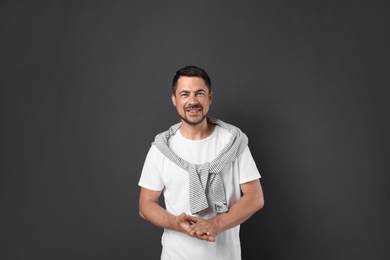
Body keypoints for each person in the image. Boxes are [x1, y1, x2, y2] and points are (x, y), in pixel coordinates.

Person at [138, 65, 264, 260]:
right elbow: (146, 205)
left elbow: (255, 197)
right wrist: (175, 222)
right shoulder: (161, 148)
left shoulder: (233, 141)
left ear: (210, 98)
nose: (192, 101)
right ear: (174, 100)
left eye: (199, 93)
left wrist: (216, 224)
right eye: (185, 94)